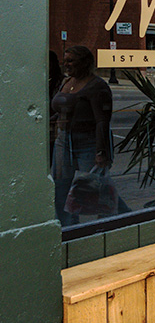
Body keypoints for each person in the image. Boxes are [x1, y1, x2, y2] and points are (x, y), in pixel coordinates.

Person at [51, 45, 115, 226]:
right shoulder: (67, 82)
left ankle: (111, 224)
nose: (66, 64)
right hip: (64, 141)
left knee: (96, 189)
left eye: (71, 60)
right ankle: (69, 229)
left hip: (88, 143)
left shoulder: (97, 86)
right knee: (61, 188)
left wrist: (101, 152)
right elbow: (63, 110)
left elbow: (102, 121)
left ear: (85, 62)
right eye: (65, 60)